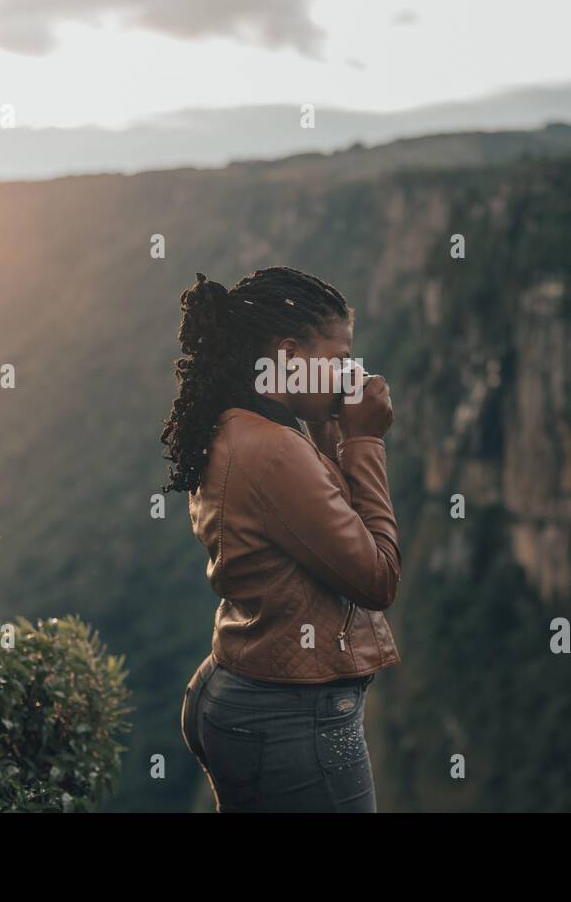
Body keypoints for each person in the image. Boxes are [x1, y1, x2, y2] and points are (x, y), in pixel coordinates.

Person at [161, 266, 402, 812]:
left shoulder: (239, 425)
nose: (351, 374)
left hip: (238, 690)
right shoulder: (275, 450)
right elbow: (377, 578)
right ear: (291, 354)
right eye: (340, 359)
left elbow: (319, 523)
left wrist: (327, 428)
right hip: (292, 718)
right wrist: (364, 439)